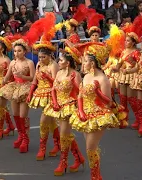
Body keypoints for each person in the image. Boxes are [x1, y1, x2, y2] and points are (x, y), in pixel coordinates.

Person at [69, 42, 120, 179]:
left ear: (92, 63)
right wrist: (80, 111)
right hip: (85, 114)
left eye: (85, 61)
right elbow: (80, 95)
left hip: (99, 115)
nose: (82, 63)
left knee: (90, 149)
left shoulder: (103, 79)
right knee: (90, 148)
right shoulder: (86, 77)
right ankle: (96, 176)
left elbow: (109, 102)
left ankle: (95, 177)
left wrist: (98, 92)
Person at [43, 45, 85, 175]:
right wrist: (54, 103)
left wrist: (75, 83)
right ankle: (78, 158)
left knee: (63, 135)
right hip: (58, 105)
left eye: (61, 60)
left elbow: (81, 92)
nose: (58, 62)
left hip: (69, 105)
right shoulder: (60, 73)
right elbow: (53, 89)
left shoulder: (75, 74)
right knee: (65, 134)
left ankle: (63, 162)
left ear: (68, 63)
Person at [27, 13, 60, 160]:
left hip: (51, 95)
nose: (40, 59)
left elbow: (56, 83)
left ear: (50, 56)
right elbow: (34, 79)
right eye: (39, 57)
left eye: (43, 57)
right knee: (51, 122)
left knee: (43, 122)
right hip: (41, 94)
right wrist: (30, 92)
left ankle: (42, 148)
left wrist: (48, 77)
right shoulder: (39, 64)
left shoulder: (54, 65)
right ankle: (58, 144)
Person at [0, 38, 35, 153]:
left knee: (22, 115)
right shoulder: (13, 63)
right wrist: (2, 81)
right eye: (15, 51)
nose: (16, 53)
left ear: (24, 51)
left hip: (25, 88)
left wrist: (23, 76)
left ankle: (25, 139)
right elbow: (8, 76)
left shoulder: (29, 62)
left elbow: (33, 78)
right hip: (15, 88)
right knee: (15, 114)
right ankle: (20, 135)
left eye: (19, 51)